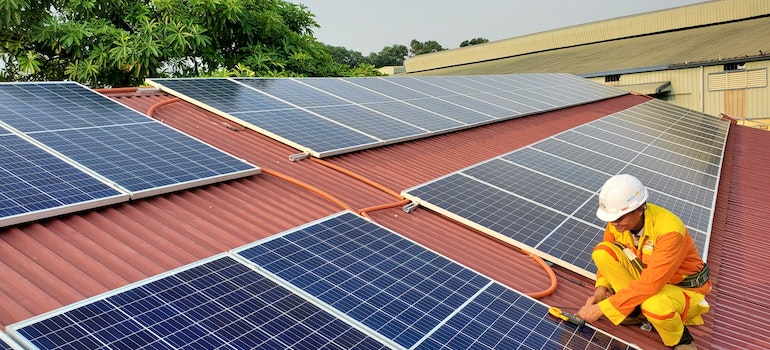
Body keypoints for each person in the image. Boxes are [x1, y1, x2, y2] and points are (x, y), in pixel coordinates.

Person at [575, 174, 711, 350]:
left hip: (683, 289)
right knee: (602, 252)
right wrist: (600, 291)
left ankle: (681, 340)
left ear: (639, 209)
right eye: (610, 219)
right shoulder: (617, 224)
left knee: (654, 305)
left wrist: (604, 308)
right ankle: (633, 310)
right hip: (651, 279)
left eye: (618, 218)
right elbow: (608, 262)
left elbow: (652, 283)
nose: (613, 224)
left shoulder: (669, 231)